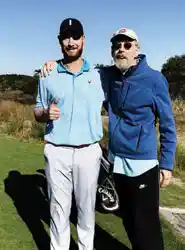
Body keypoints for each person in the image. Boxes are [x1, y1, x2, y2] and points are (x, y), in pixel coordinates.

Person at [40, 27, 177, 250]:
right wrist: (54, 64)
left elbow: (168, 124)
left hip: (143, 164)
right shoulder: (107, 75)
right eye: (116, 45)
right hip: (117, 164)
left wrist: (167, 163)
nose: (121, 49)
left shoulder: (154, 79)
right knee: (129, 222)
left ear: (137, 50)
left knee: (146, 227)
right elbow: (78, 71)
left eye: (127, 45)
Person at [34, 18, 105, 250]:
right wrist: (45, 112)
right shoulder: (47, 73)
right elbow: (37, 110)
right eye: (66, 36)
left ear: (83, 39)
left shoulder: (99, 75)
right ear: (59, 41)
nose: (71, 41)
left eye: (76, 36)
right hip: (57, 151)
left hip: (88, 152)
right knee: (58, 209)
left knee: (86, 211)